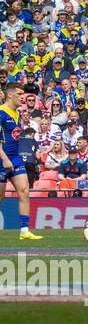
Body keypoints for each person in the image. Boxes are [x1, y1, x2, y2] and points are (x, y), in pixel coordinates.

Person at [0, 83, 38, 241]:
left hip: (15, 159)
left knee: (25, 190)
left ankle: (24, 231)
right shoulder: (1, 113)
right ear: (10, 95)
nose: (23, 97)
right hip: (2, 159)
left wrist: (11, 159)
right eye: (20, 94)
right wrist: (4, 158)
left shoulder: (17, 113)